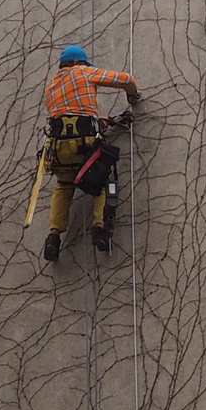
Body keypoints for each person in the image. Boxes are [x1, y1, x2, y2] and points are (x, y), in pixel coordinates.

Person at [41, 44, 140, 260]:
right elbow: (126, 80)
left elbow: (73, 117)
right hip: (84, 144)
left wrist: (107, 121)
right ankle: (99, 227)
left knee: (64, 185)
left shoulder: (50, 86)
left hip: (58, 149)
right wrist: (133, 95)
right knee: (102, 179)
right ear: (79, 63)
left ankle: (54, 235)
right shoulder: (83, 72)